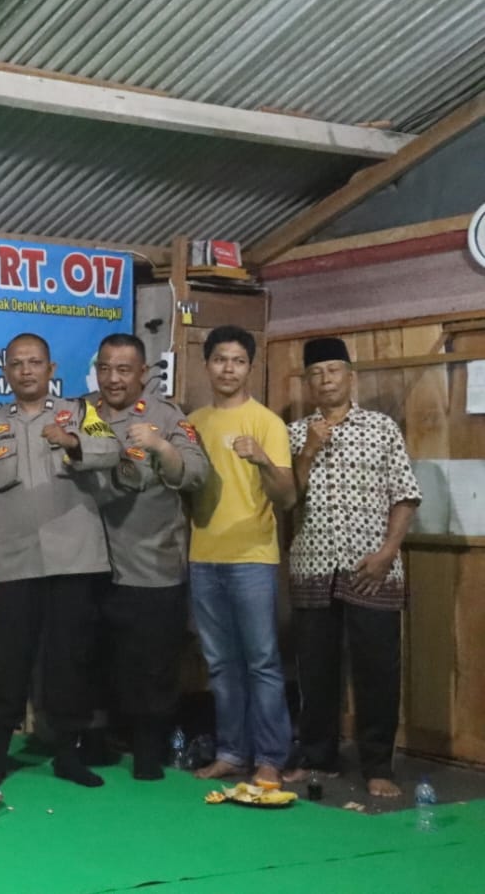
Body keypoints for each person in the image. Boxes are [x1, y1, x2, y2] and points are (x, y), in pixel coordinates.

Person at [0, 333, 119, 788]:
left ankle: (68, 754)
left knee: (70, 662)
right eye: (17, 363)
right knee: (8, 662)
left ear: (51, 369)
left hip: (75, 560)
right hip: (15, 562)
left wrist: (72, 442)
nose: (26, 371)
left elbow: (111, 450)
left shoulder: (81, 413)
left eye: (35, 362)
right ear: (6, 372)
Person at [282, 337, 421, 798]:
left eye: (333, 370)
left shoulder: (381, 428)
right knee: (315, 671)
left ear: (350, 376)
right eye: (316, 373)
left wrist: (388, 552)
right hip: (313, 565)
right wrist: (308, 450)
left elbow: (405, 495)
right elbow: (287, 499)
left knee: (378, 671)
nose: (325, 380)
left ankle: (378, 766)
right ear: (308, 383)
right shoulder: (294, 434)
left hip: (373, 568)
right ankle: (317, 757)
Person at [88, 333, 209, 780]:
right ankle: (97, 742)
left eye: (124, 370)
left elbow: (195, 474)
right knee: (94, 659)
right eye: (105, 368)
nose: (113, 378)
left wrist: (162, 447)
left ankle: (148, 749)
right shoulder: (81, 412)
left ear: (142, 373)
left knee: (152, 666)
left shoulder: (166, 416)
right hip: (91, 562)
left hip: (150, 563)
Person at [186, 325, 295, 786]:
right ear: (206, 365)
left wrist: (263, 459)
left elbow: (287, 497)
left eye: (237, 361)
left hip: (252, 557)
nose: (228, 369)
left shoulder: (266, 423)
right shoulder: (193, 423)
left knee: (262, 661)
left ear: (250, 367)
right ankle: (231, 752)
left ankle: (271, 758)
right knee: (220, 664)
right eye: (220, 360)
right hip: (203, 556)